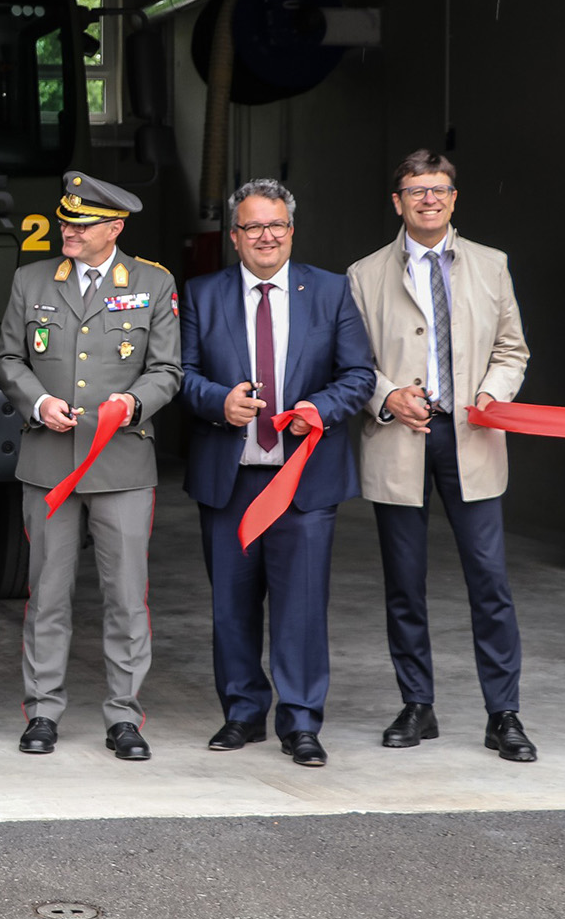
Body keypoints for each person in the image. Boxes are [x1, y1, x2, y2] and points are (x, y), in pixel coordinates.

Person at [347, 150, 534, 762]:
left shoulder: (491, 265)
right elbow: (352, 365)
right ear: (396, 200)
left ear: (455, 198)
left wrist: (490, 394)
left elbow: (512, 349)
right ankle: (416, 705)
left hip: (472, 436)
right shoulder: (364, 273)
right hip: (398, 438)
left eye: (440, 188)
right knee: (405, 582)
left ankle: (503, 714)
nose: (429, 198)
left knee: (490, 581)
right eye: (415, 189)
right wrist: (386, 395)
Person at [179, 179, 374, 768]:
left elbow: (359, 375)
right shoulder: (201, 294)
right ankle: (242, 714)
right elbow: (179, 374)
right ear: (234, 237)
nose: (266, 236)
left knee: (302, 606)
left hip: (304, 480)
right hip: (230, 477)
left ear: (292, 230)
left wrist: (321, 410)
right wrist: (219, 402)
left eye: (277, 225)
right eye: (252, 227)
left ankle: (301, 722)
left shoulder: (332, 292)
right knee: (231, 605)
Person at [0, 172, 180, 761]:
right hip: (49, 463)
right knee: (47, 594)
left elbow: (168, 370)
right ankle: (43, 711)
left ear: (115, 229)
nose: (67, 231)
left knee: (126, 598)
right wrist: (39, 403)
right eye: (66, 220)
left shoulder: (152, 282)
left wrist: (132, 403)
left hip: (121, 464)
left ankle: (124, 717)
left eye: (81, 224)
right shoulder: (32, 279)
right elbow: (9, 358)